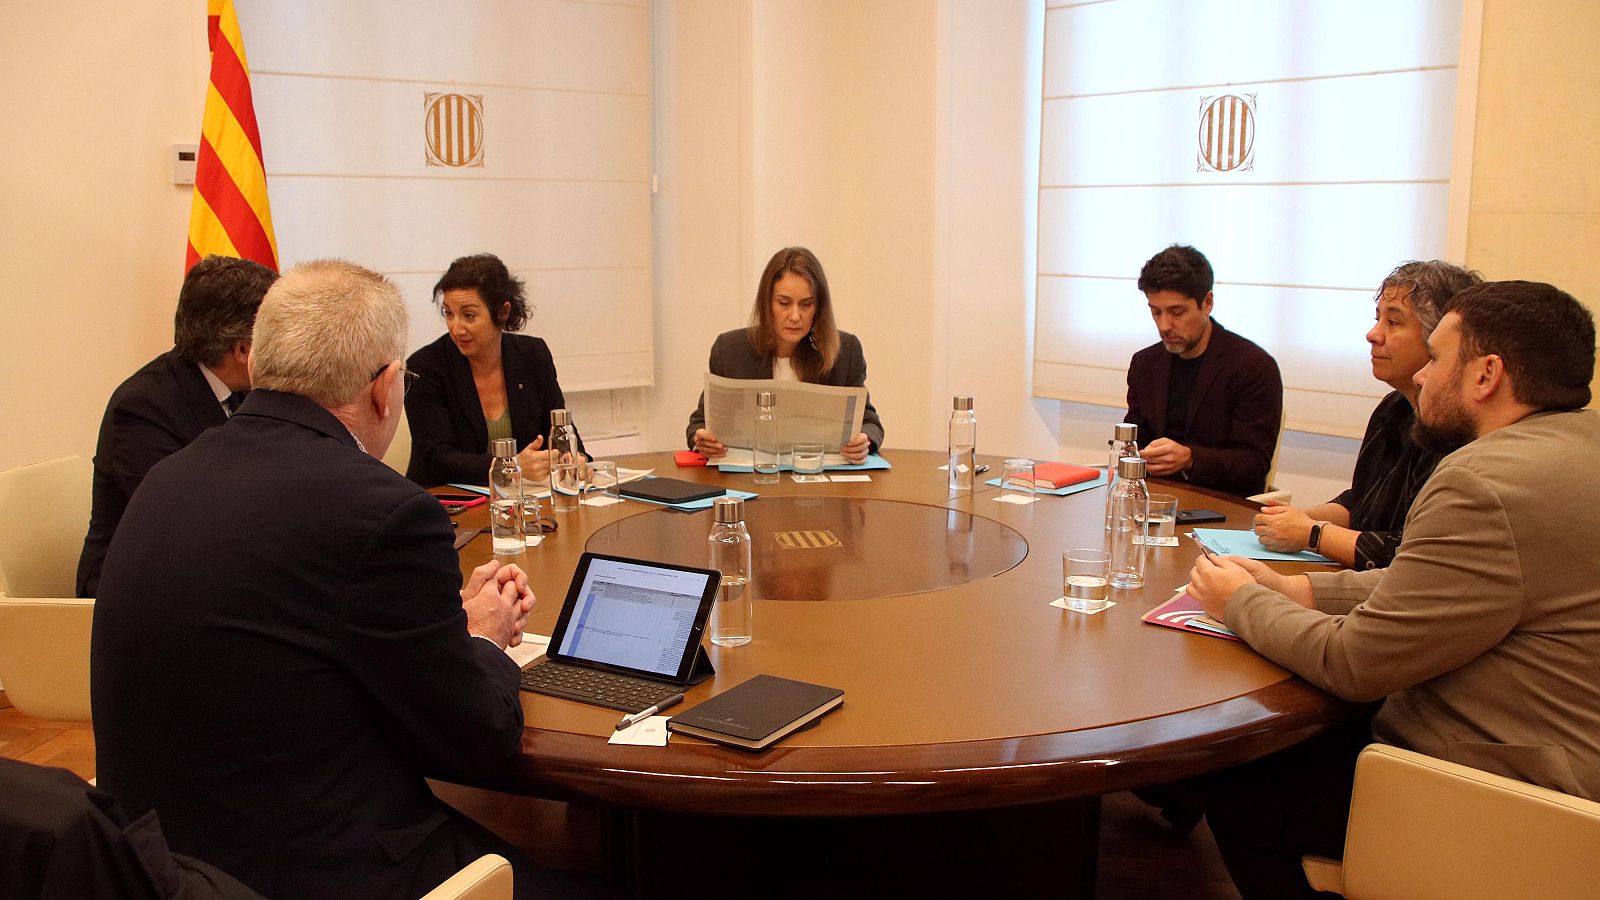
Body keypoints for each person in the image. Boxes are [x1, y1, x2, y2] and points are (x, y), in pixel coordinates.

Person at [91, 260, 577, 899]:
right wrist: (482, 637)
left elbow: (299, 634)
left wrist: (429, 627)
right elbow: (479, 740)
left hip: (150, 862)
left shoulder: (169, 478)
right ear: (385, 388)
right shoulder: (382, 511)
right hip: (305, 869)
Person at [1188, 280, 1600, 899]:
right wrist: (1299, 589)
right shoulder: (1575, 448)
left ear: (1486, 375)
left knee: (1238, 784)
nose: (1425, 377)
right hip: (1571, 750)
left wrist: (1240, 603)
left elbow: (1354, 663)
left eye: (1437, 358)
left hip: (1500, 782)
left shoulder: (1480, 481)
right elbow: (1440, 582)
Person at [1252, 261, 1482, 569]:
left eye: (1393, 323)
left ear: (1440, 337)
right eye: (1377, 320)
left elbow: (1409, 552)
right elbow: (1363, 503)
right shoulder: (1393, 408)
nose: (1372, 335)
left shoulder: (1460, 430)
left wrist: (1313, 534)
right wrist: (1296, 518)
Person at [76, 255, 277, 597]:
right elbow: (184, 520)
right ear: (243, 350)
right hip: (135, 595)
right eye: (276, 335)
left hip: (205, 575)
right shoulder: (142, 407)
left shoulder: (246, 391)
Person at [687, 246, 883, 463]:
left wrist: (864, 441)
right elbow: (699, 424)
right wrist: (703, 439)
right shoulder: (731, 349)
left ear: (819, 307)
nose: (795, 316)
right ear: (767, 303)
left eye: (806, 304)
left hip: (821, 477)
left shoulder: (845, 351)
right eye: (784, 303)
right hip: (751, 478)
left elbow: (870, 422)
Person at [405, 253, 585, 487]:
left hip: (521, 498)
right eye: (448, 313)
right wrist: (509, 466)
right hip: (449, 503)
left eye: (468, 315)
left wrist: (576, 458)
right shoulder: (426, 366)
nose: (456, 328)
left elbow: (559, 427)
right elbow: (436, 458)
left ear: (502, 312)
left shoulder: (533, 355)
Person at [1124, 244, 1282, 496]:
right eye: (1156, 312)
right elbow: (1134, 441)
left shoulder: (1252, 366)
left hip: (1222, 505)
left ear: (1207, 303)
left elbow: (1254, 464)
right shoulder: (1145, 363)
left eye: (1177, 312)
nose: (1165, 325)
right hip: (1153, 499)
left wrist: (1190, 458)